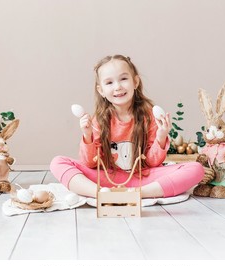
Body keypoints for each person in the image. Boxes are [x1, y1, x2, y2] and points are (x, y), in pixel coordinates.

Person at [50, 55, 204, 198]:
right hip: (108, 178)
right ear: (101, 90)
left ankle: (139, 194)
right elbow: (90, 163)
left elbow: (153, 163)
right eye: (109, 82)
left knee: (196, 169)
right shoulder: (99, 120)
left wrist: (161, 136)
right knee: (57, 162)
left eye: (123, 79)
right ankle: (100, 194)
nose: (117, 87)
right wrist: (87, 135)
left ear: (135, 82)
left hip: (143, 178)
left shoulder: (148, 116)